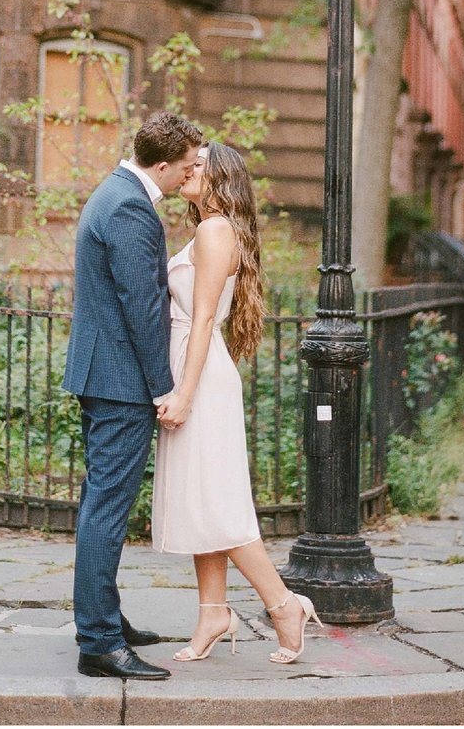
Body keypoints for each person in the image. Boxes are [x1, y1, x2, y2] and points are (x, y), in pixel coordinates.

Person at [152, 141, 323, 665]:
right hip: (195, 369)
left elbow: (203, 317)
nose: (186, 170)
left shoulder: (215, 229)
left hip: (199, 378)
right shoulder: (212, 229)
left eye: (198, 165)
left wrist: (184, 391)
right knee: (203, 501)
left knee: (218, 505)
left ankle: (283, 603)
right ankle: (213, 612)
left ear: (221, 177)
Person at [64, 110, 203, 681]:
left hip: (106, 376)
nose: (191, 174)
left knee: (102, 504)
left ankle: (107, 620)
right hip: (120, 384)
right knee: (107, 510)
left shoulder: (114, 191)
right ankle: (99, 642)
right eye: (189, 166)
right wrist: (166, 388)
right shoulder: (129, 206)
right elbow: (143, 308)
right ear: (163, 164)